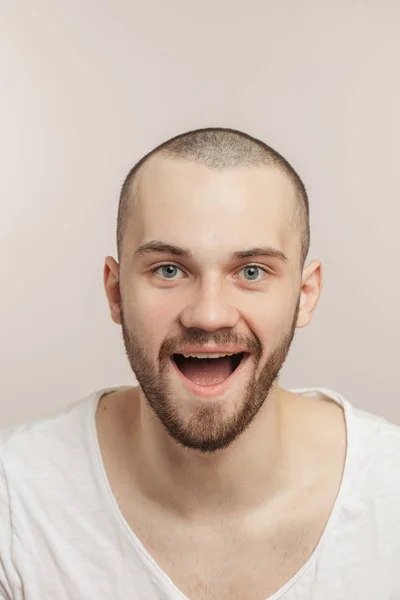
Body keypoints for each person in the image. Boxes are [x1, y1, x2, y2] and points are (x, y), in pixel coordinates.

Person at [1, 127, 399, 600]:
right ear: (115, 292)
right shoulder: (16, 497)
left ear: (304, 296)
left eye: (251, 272)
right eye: (169, 269)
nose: (209, 314)